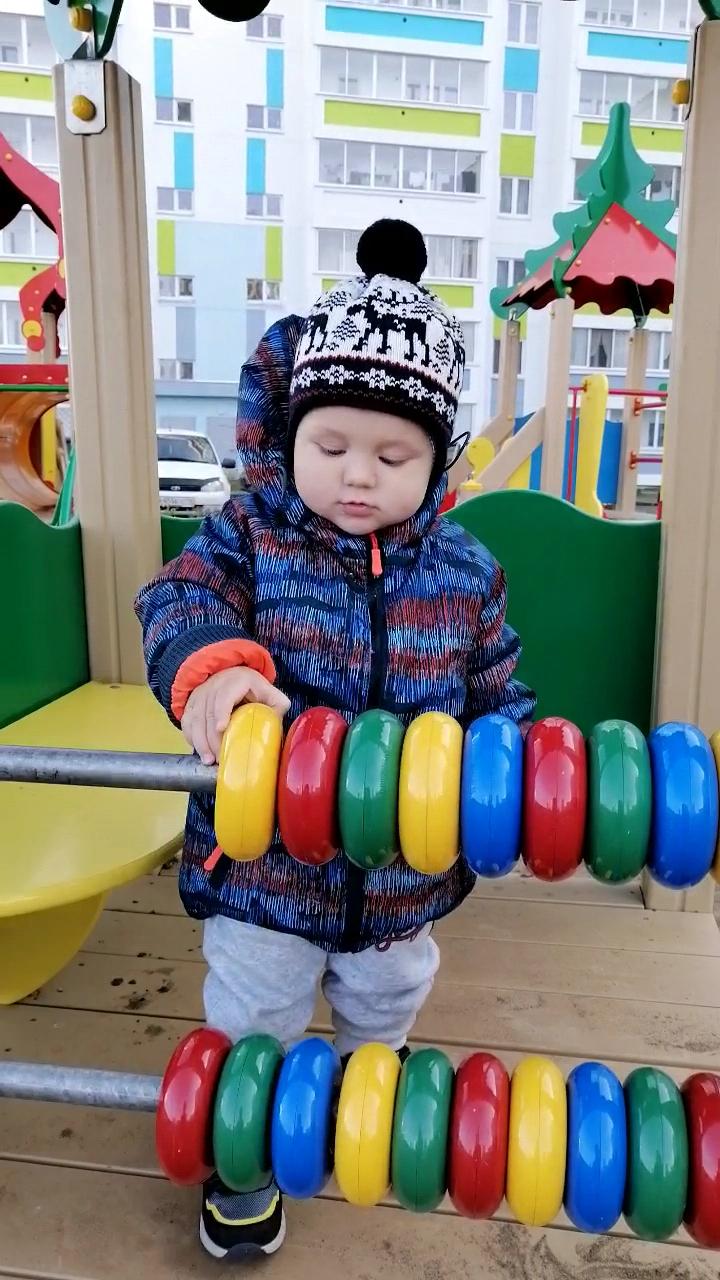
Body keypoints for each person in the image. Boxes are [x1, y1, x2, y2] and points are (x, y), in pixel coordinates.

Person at [135, 218, 535, 1261]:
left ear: (438, 462)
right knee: (255, 1024)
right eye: (331, 447)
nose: (358, 475)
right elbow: (178, 601)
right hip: (264, 871)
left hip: (402, 880)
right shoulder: (249, 539)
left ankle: (364, 1114)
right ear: (289, 436)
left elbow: (499, 695)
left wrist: (521, 769)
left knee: (386, 1009)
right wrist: (215, 669)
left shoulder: (466, 574)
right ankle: (244, 1157)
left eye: (393, 456)